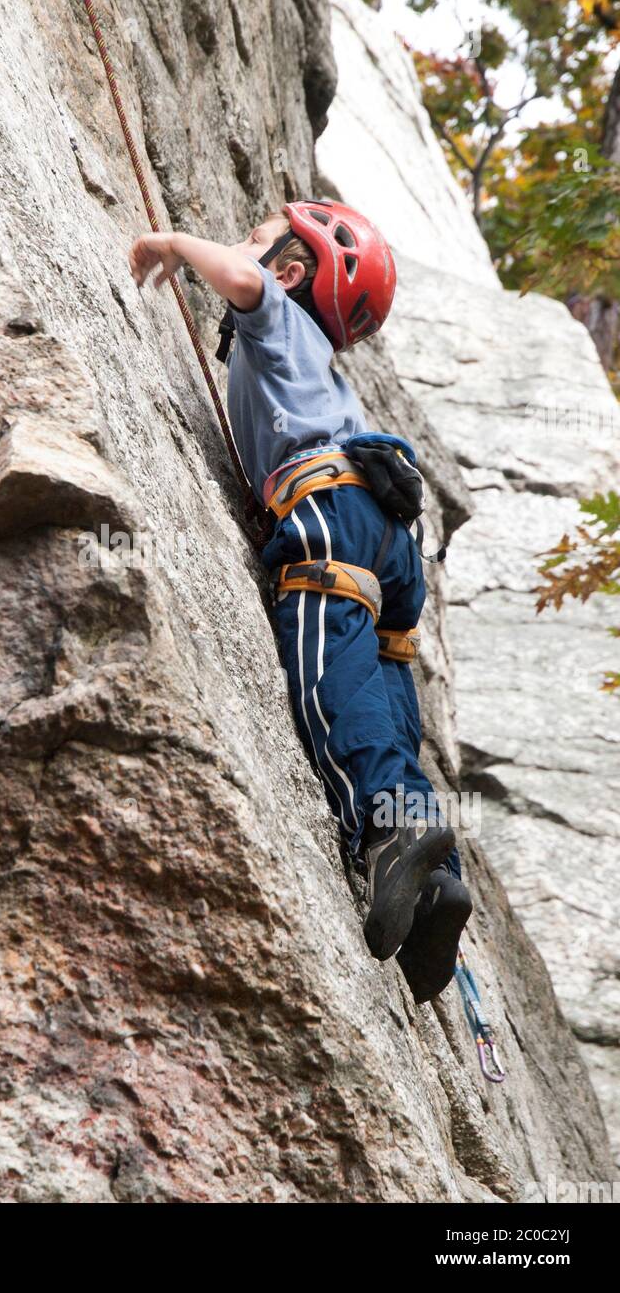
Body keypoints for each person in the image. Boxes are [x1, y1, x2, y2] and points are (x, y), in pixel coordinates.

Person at [128, 201, 471, 1002]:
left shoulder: (275, 317)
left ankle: (389, 840)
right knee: (386, 700)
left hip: (328, 513)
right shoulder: (317, 363)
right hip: (388, 540)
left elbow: (242, 279)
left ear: (288, 272)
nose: (240, 244)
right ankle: (432, 886)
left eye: (256, 237)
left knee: (330, 681)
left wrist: (175, 243)